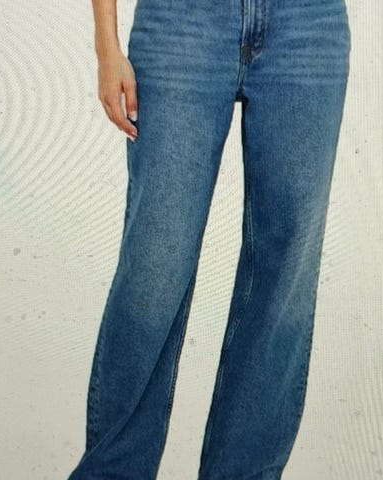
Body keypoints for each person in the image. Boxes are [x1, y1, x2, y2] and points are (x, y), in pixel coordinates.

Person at [68, 0, 351, 478]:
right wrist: (106, 45)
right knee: (156, 268)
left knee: (284, 277)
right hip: (183, 23)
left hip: (307, 24)